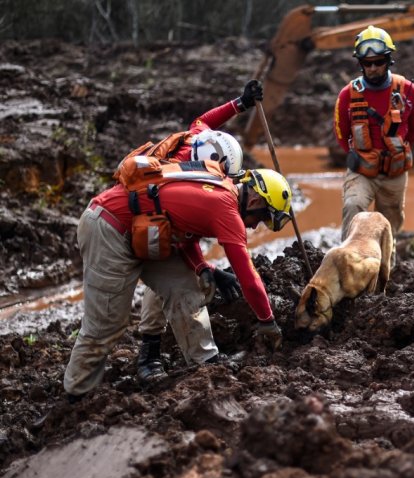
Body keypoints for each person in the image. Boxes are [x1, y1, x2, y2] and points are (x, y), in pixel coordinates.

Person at [63, 104, 291, 401]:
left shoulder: (215, 181)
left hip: (146, 232)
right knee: (107, 323)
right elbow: (249, 277)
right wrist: (267, 322)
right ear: (258, 201)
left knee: (185, 287)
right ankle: (75, 396)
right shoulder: (225, 208)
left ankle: (206, 364)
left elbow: (183, 234)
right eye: (261, 218)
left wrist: (204, 269)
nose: (255, 225)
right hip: (109, 227)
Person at [132, 81, 262, 385]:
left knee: (178, 272)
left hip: (158, 220)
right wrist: (204, 266)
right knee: (170, 271)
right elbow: (183, 239)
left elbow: (203, 121)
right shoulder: (184, 170)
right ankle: (150, 352)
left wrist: (240, 104)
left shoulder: (199, 144)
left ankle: (161, 350)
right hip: (142, 220)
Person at [333, 26, 414, 244]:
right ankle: (348, 258)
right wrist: (360, 156)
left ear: (389, 60)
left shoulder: (408, 91)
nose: (373, 68)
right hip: (362, 169)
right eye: (367, 63)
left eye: (378, 62)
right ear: (361, 64)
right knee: (352, 205)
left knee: (389, 227)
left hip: (395, 171)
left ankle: (385, 271)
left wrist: (396, 150)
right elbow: (340, 132)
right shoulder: (347, 94)